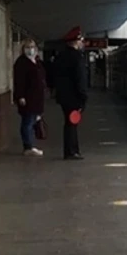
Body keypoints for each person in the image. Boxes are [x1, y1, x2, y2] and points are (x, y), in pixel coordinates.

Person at [54, 26, 88, 160]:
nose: (82, 43)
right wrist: (83, 96)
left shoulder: (60, 56)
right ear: (75, 41)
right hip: (74, 96)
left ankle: (71, 150)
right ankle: (71, 151)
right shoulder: (77, 57)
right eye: (81, 41)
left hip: (63, 96)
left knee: (69, 123)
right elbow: (80, 78)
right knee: (72, 124)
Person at [12, 39, 46, 156]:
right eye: (27, 47)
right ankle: (28, 146)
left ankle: (30, 144)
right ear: (23, 49)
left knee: (32, 121)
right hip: (28, 98)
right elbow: (19, 81)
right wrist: (20, 96)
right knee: (27, 121)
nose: (30, 49)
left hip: (37, 98)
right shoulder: (21, 63)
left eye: (32, 46)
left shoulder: (37, 61)